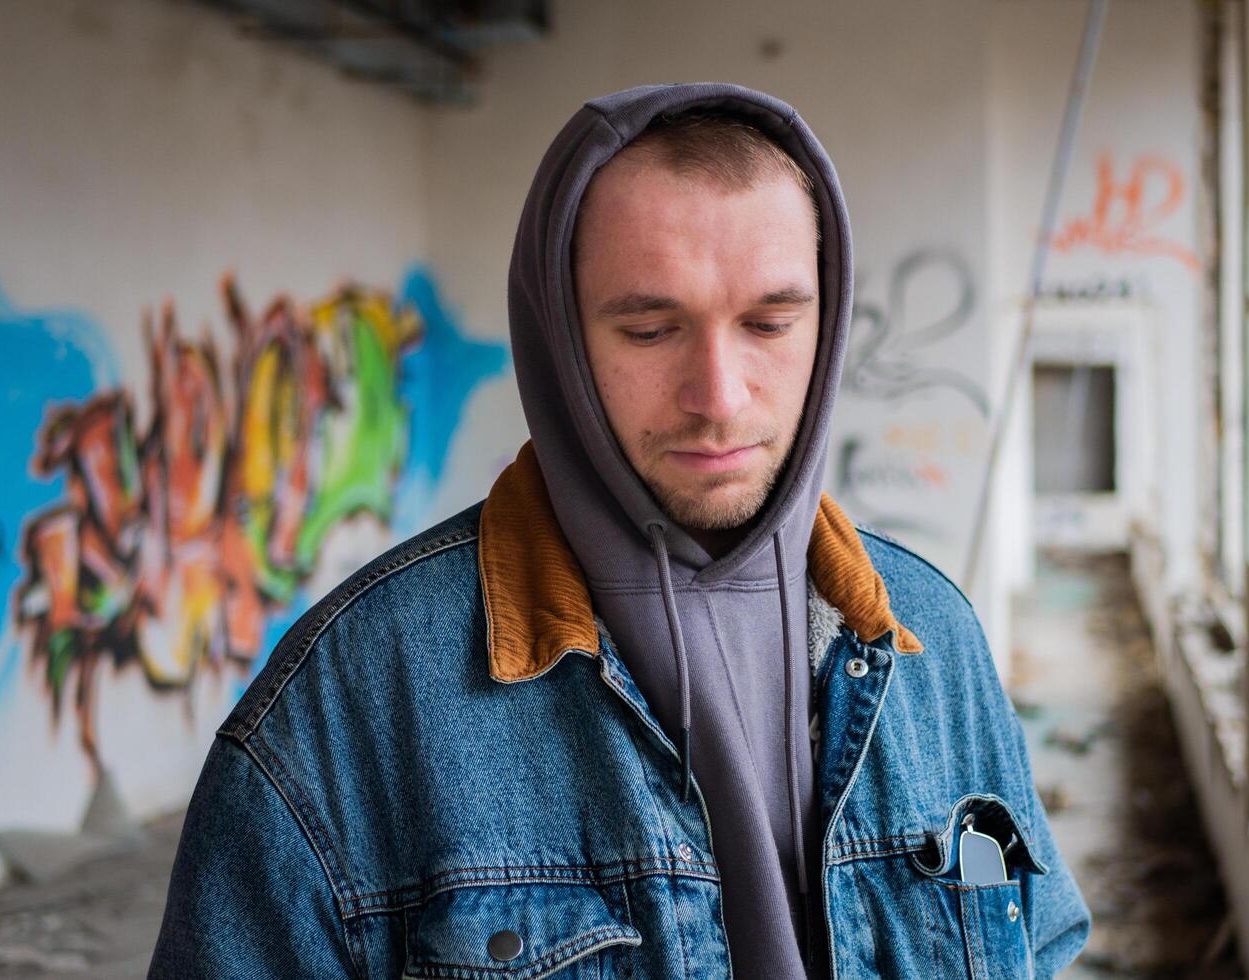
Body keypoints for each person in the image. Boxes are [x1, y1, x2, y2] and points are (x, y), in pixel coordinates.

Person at [150, 82, 1090, 979]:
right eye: (648, 331)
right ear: (558, 339)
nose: (719, 399)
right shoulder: (355, 693)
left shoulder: (934, 637)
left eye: (769, 324)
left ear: (827, 325)